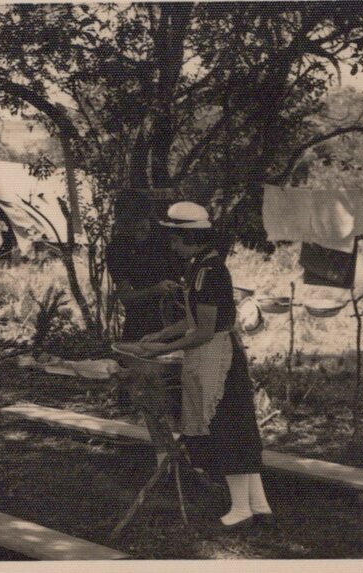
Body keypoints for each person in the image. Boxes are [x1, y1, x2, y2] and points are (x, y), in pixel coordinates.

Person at [138, 201, 273, 530]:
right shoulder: (199, 266)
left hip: (220, 358)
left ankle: (241, 509)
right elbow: (193, 319)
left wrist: (162, 350)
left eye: (175, 239)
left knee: (228, 429)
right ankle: (259, 505)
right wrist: (161, 334)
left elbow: (203, 331)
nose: (172, 246)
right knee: (238, 427)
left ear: (189, 238)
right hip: (212, 353)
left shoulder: (210, 272)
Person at [106, 190, 184, 343]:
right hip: (140, 322)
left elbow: (189, 272)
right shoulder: (117, 248)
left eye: (139, 225)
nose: (134, 232)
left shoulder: (168, 236)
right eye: (126, 225)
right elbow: (125, 296)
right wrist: (155, 290)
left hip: (176, 319)